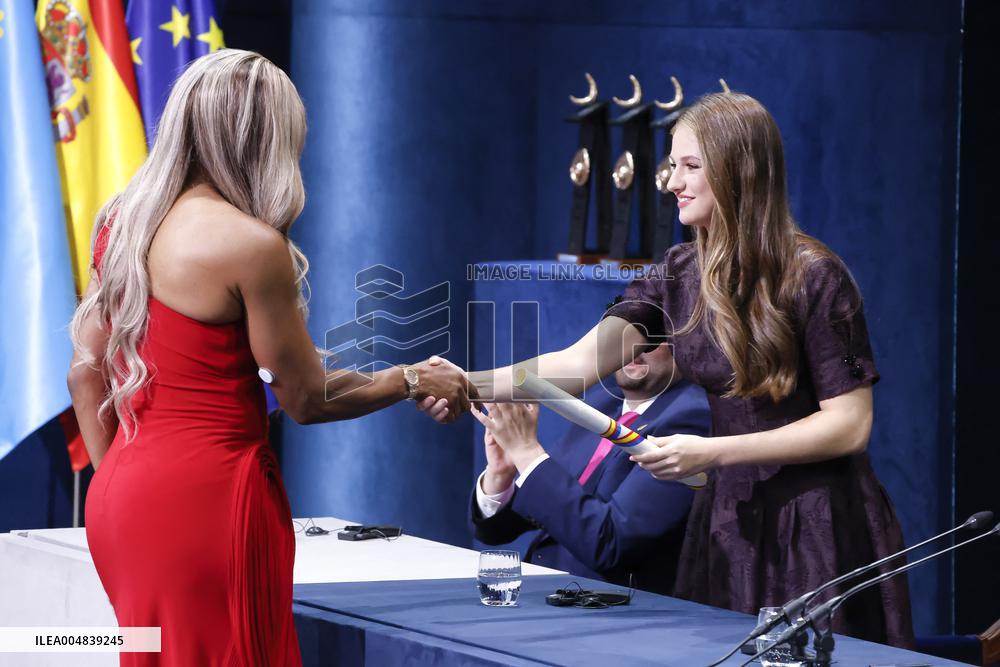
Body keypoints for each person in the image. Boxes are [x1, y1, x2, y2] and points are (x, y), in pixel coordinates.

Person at [423, 92, 912, 647]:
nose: (672, 181)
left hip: (813, 526)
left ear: (739, 171)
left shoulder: (815, 277)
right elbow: (576, 364)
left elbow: (849, 425)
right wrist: (465, 383)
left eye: (689, 166)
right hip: (728, 524)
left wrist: (713, 452)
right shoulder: (680, 272)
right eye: (671, 165)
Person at [67, 50, 472, 667]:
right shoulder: (251, 246)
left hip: (124, 498)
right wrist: (409, 378)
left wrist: (124, 477)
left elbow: (83, 372)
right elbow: (305, 398)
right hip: (210, 505)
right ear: (264, 140)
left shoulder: (122, 224)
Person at [470, 342, 710, 594]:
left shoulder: (691, 416)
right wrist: (500, 476)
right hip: (545, 590)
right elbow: (499, 530)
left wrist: (528, 454)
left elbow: (611, 544)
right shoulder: (603, 401)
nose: (633, 346)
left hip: (610, 607)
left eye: (653, 335)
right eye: (625, 333)